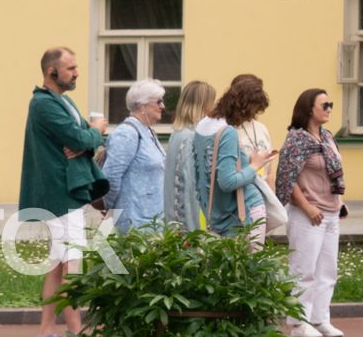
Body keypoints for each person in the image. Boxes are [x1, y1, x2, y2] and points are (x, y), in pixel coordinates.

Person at [19, 47, 111, 337]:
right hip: (59, 192)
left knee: (59, 263)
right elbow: (83, 137)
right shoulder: (44, 104)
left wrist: (87, 139)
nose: (76, 73)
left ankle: (45, 334)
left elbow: (82, 137)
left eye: (75, 67)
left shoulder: (62, 101)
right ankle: (76, 335)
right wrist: (92, 135)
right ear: (51, 72)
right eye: (70, 68)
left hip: (65, 191)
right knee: (72, 263)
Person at [275, 89, 346, 337]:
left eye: (330, 105)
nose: (329, 109)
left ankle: (320, 318)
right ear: (309, 109)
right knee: (303, 269)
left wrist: (340, 201)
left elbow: (333, 172)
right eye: (324, 105)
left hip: (331, 212)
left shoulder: (326, 137)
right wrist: (306, 206)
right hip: (308, 213)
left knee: (328, 269)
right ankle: (297, 322)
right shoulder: (297, 139)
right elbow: (286, 177)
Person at [160, 80, 265, 234]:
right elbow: (189, 186)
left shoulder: (178, 133)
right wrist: (189, 230)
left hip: (179, 218)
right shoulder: (190, 137)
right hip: (191, 222)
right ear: (203, 104)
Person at [102, 80, 168, 238]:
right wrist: (110, 208)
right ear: (142, 105)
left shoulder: (147, 132)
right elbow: (110, 176)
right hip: (135, 222)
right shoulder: (127, 134)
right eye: (158, 101)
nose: (163, 106)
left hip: (152, 221)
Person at [220, 74, 281, 236]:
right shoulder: (227, 129)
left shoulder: (261, 128)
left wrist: (271, 203)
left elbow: (270, 171)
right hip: (238, 201)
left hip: (261, 198)